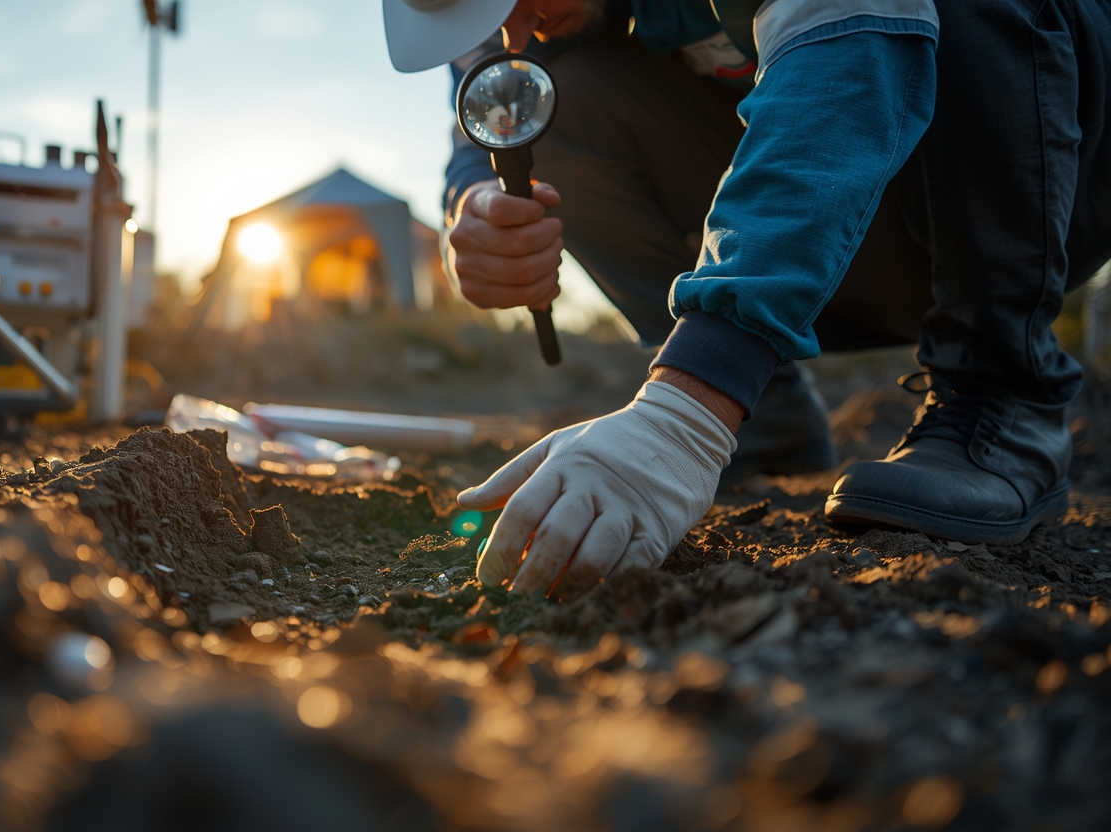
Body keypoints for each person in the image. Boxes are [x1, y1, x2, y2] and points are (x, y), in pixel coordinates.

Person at [381, 0, 1111, 596]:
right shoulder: (523, 22)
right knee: (564, 94)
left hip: (1042, 183)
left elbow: (848, 60)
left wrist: (690, 405)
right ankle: (766, 421)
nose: (515, 31)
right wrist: (470, 205)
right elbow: (489, 106)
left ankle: (1001, 393)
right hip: (853, 245)